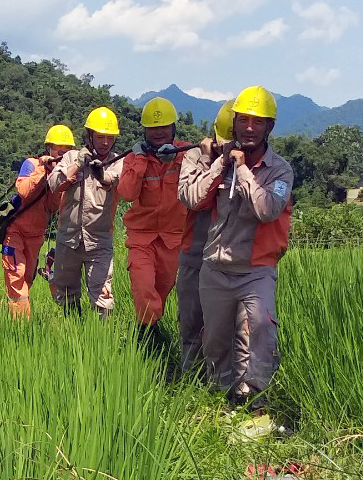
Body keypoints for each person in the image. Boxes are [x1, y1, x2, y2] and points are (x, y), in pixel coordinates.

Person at [181, 86, 293, 410]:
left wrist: (242, 169)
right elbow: (192, 198)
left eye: (257, 122)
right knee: (215, 341)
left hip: (255, 269)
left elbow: (266, 209)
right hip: (215, 266)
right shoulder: (220, 163)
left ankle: (256, 396)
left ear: (269, 127)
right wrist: (218, 164)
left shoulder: (279, 170)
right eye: (243, 120)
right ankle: (223, 397)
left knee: (260, 328)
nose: (248, 127)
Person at [116, 98, 189, 354]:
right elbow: (126, 193)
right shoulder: (135, 159)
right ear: (144, 131)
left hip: (172, 239)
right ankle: (146, 341)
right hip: (142, 238)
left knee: (161, 292)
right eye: (152, 128)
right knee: (144, 288)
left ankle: (150, 334)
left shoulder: (185, 155)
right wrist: (139, 161)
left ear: (173, 129)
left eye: (164, 127)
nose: (158, 132)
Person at [176, 100, 235, 376]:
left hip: (230, 258)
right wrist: (214, 161)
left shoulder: (250, 163)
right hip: (195, 252)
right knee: (191, 322)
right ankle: (190, 380)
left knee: (227, 327)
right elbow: (191, 198)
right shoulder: (194, 158)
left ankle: (223, 382)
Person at [48, 107, 123, 319]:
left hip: (99, 242)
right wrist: (76, 165)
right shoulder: (71, 156)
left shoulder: (118, 161)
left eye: (110, 137)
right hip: (68, 240)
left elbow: (117, 181)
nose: (105, 142)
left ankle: (102, 339)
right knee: (64, 293)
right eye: (100, 136)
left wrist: (102, 175)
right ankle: (74, 331)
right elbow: (54, 183)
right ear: (89, 135)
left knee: (102, 298)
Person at [1, 125, 75, 319]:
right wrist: (43, 170)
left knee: (27, 279)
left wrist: (57, 178)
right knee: (17, 276)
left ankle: (20, 319)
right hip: (16, 231)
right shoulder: (32, 164)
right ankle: (21, 326)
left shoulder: (63, 174)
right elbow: (23, 191)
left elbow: (55, 207)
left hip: (36, 236)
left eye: (67, 151)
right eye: (59, 149)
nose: (62, 154)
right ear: (48, 148)